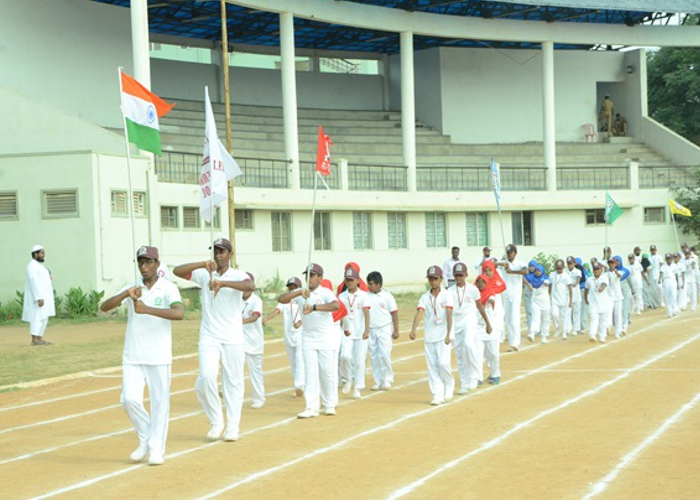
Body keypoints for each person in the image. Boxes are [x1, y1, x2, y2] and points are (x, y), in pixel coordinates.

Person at [100, 246, 184, 466]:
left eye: (149, 262)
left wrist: (148, 309)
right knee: (128, 399)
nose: (144, 267)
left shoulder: (169, 288)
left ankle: (157, 449)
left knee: (159, 404)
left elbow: (179, 313)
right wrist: (125, 295)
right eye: (141, 263)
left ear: (157, 264)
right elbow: (104, 307)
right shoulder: (133, 288)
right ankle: (146, 437)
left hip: (159, 356)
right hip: (133, 355)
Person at [173, 238, 254, 442]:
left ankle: (233, 426)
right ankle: (217, 421)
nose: (218, 255)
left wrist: (222, 283)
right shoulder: (204, 274)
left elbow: (250, 285)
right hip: (209, 335)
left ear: (230, 254)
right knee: (206, 377)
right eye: (215, 251)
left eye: (222, 251)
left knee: (233, 382)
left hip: (233, 336)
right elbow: (178, 271)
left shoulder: (238, 275)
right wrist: (202, 264)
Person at [278, 263, 340, 418]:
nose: (309, 279)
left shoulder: (325, 292)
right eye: (307, 275)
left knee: (326, 371)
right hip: (307, 337)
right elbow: (281, 299)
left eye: (312, 275)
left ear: (320, 278)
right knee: (310, 372)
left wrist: (314, 307)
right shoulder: (300, 292)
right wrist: (297, 293)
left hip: (325, 336)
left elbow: (335, 305)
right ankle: (311, 406)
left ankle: (329, 403)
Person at [409, 265, 455, 405]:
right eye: (430, 278)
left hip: (443, 335)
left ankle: (449, 384)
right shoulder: (425, 297)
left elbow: (449, 314)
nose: (432, 281)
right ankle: (437, 394)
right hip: (430, 336)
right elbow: (420, 312)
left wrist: (448, 333)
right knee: (432, 367)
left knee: (443, 363)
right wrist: (413, 329)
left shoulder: (447, 295)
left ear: (441, 279)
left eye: (435, 278)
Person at [263, 277, 305, 398]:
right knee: (293, 364)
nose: (292, 290)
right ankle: (299, 385)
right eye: (290, 288)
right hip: (289, 337)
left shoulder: (303, 299)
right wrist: (266, 318)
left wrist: (300, 323)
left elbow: (308, 314)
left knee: (300, 360)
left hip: (301, 336)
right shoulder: (285, 301)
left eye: (294, 288)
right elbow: (276, 310)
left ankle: (299, 385)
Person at [448, 262, 482, 394]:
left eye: (461, 275)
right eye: (456, 275)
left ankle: (474, 376)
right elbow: (448, 310)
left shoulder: (473, 289)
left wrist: (487, 323)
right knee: (460, 354)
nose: (458, 278)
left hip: (470, 321)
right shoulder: (450, 291)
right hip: (456, 324)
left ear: (466, 275)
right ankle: (464, 382)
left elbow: (480, 306)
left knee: (468, 345)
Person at [338, 266, 370, 399]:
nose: (349, 282)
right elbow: (340, 314)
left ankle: (357, 388)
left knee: (359, 361)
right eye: (347, 280)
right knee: (345, 357)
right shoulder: (341, 296)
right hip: (346, 332)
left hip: (360, 332)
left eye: (352, 280)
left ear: (358, 281)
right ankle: (348, 378)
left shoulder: (363, 295)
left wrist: (367, 329)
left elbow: (367, 313)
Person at [366, 271, 399, 391]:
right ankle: (378, 380)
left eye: (371, 284)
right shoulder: (366, 296)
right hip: (371, 329)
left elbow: (394, 313)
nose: (369, 286)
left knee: (384, 353)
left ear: (379, 285)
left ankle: (387, 379)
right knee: (374, 355)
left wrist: (396, 330)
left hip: (384, 328)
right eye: (368, 283)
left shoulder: (387, 296)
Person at [22, 245, 56, 346]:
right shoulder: (31, 266)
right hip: (37, 298)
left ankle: (40, 338)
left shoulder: (39, 266)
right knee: (37, 317)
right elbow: (34, 282)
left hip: (45, 296)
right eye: (42, 253)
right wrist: (38, 297)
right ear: (35, 254)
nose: (43, 255)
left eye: (43, 253)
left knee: (44, 317)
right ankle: (34, 339)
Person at [496, 244, 527, 351]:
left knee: (514, 317)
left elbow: (525, 271)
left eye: (511, 252)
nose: (509, 254)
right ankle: (511, 342)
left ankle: (516, 342)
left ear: (515, 253)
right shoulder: (504, 263)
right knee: (508, 319)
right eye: (508, 253)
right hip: (505, 294)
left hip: (516, 294)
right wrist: (500, 262)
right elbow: (491, 264)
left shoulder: (520, 263)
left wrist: (512, 271)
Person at [242, 274, 265, 409]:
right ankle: (232, 396)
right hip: (239, 341)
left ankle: (259, 398)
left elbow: (255, 316)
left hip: (255, 341)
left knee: (255, 371)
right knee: (235, 369)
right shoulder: (235, 299)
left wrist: (240, 322)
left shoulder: (256, 300)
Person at [473, 274, 498, 385]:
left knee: (493, 353)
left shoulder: (490, 294)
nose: (480, 284)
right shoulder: (474, 295)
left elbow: (492, 298)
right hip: (477, 328)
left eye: (483, 281)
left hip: (490, 328)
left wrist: (491, 301)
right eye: (479, 281)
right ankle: (478, 378)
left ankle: (495, 374)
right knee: (477, 354)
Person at [525, 261, 550, 344]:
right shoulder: (532, 278)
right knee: (535, 317)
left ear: (542, 271)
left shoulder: (545, 278)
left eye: (538, 271)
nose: (537, 272)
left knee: (545, 319)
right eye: (535, 271)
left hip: (545, 302)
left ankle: (544, 336)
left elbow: (546, 283)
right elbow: (524, 277)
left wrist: (543, 282)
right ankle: (532, 333)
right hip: (535, 301)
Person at [584, 264, 610, 343]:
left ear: (601, 270)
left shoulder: (604, 278)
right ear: (593, 270)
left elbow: (603, 285)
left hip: (603, 304)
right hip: (593, 304)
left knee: (602, 322)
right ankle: (592, 335)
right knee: (593, 319)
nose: (596, 271)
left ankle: (602, 337)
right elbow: (586, 290)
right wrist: (585, 299)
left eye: (598, 269)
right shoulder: (589, 280)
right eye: (595, 269)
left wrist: (601, 288)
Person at [549, 259, 573, 339]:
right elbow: (550, 285)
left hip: (564, 299)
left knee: (564, 317)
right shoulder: (552, 275)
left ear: (563, 267)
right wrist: (549, 296)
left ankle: (564, 332)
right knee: (554, 314)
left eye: (560, 268)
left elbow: (570, 288)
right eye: (557, 268)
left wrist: (570, 300)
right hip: (554, 299)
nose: (559, 269)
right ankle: (558, 329)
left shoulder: (567, 276)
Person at [566, 256, 583, 335]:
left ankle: (576, 328)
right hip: (568, 294)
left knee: (576, 312)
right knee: (568, 312)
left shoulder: (578, 271)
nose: (570, 265)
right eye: (568, 263)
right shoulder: (565, 272)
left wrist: (576, 283)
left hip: (576, 294)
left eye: (571, 263)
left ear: (574, 263)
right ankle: (568, 328)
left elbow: (578, 278)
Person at [658, 253, 679, 318]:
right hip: (665, 281)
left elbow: (676, 275)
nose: (668, 260)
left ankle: (675, 309)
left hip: (672, 280)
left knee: (673, 295)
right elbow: (661, 273)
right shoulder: (663, 266)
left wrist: (677, 283)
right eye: (667, 259)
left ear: (672, 259)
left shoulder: (675, 266)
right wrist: (659, 279)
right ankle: (669, 312)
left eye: (669, 258)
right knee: (667, 297)